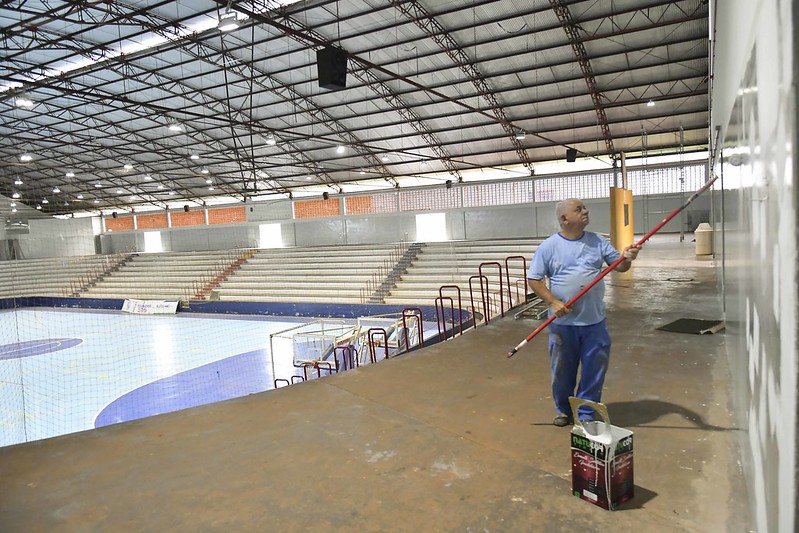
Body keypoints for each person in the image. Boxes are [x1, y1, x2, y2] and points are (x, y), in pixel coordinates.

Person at [527, 198, 639, 427]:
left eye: (585, 207)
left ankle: (586, 413)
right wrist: (552, 302)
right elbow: (534, 279)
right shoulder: (549, 246)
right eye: (579, 209)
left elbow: (619, 266)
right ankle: (564, 410)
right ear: (564, 218)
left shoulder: (597, 241)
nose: (586, 211)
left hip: (594, 321)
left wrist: (627, 258)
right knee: (562, 371)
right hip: (563, 325)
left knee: (594, 370)